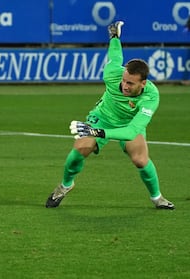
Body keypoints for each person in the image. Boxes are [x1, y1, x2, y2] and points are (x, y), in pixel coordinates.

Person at [45, 21, 175, 210]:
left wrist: (99, 133)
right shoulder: (113, 74)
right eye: (124, 80)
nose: (124, 86)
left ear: (143, 83)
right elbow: (115, 57)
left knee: (140, 160)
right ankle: (65, 185)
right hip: (103, 116)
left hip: (129, 123)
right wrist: (114, 37)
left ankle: (157, 198)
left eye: (130, 83)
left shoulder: (151, 97)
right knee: (81, 147)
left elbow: (131, 132)